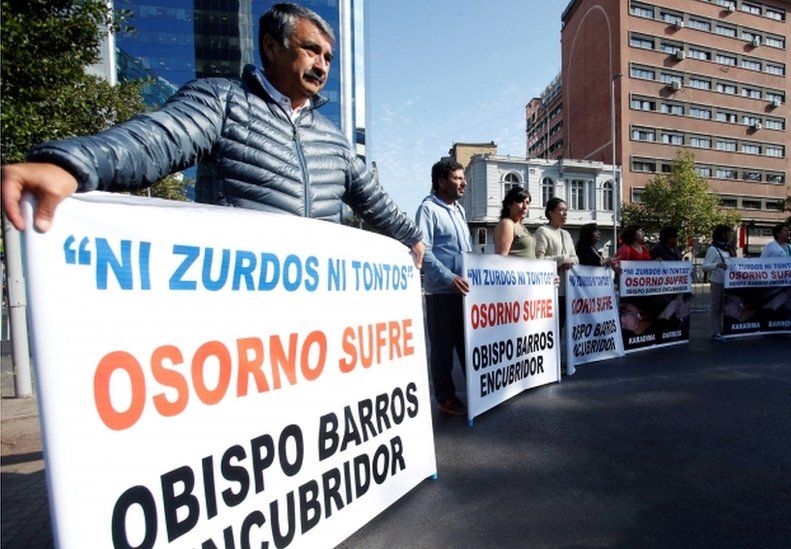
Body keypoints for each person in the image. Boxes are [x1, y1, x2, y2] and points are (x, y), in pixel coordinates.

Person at [1, 3, 424, 268]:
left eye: (328, 56)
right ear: (272, 48)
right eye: (311, 49)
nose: (322, 64)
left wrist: (412, 238)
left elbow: (375, 200)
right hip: (242, 307)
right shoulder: (224, 102)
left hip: (317, 310)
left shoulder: (332, 139)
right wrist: (69, 165)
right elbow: (157, 139)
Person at [416, 159, 471, 417]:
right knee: (442, 349)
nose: (464, 183)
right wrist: (450, 277)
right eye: (458, 178)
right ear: (441, 181)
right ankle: (445, 398)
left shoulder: (458, 210)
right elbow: (423, 251)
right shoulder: (428, 209)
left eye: (463, 178)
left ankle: (476, 390)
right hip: (442, 293)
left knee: (467, 343)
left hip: (465, 293)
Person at [535, 197, 579, 326]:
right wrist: (563, 259)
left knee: (564, 326)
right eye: (560, 210)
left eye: (566, 210)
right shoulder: (543, 231)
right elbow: (538, 260)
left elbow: (575, 257)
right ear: (550, 212)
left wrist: (571, 261)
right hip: (551, 291)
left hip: (568, 290)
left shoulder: (566, 234)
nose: (565, 214)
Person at [702, 225, 736, 340]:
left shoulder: (730, 247)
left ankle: (723, 329)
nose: (730, 235)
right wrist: (717, 265)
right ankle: (715, 331)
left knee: (724, 307)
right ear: (722, 234)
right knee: (715, 306)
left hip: (729, 282)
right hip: (717, 281)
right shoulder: (713, 249)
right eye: (728, 233)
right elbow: (704, 266)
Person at [494, 185, 534, 257]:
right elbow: (501, 258)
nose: (525, 207)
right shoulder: (507, 224)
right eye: (520, 202)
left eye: (527, 203)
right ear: (509, 204)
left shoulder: (521, 226)